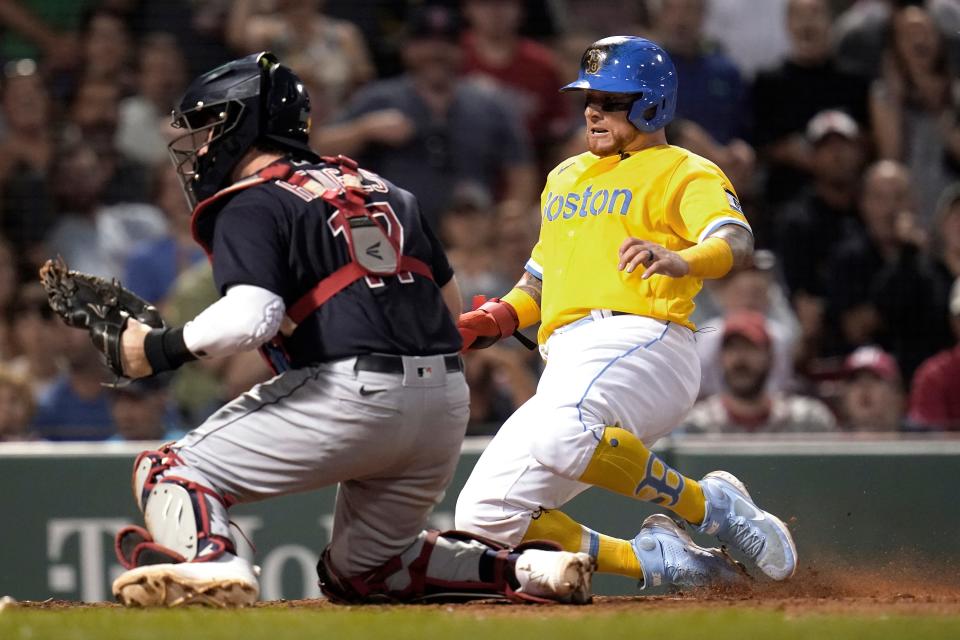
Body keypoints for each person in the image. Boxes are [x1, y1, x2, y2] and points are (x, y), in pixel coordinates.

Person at [106, 52, 593, 608]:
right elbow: (448, 306)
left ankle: (212, 564)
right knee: (366, 571)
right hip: (443, 404)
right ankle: (531, 569)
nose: (201, 146)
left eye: (210, 127)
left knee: (168, 466)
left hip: (353, 392)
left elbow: (250, 315)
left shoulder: (251, 198)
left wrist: (157, 348)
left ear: (244, 123)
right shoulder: (382, 186)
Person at [454, 36, 797, 591]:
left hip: (645, 340)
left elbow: (734, 239)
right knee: (485, 517)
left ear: (652, 102)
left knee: (562, 435)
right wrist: (495, 318)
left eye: (611, 99)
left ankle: (712, 507)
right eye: (589, 98)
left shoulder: (683, 170)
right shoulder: (564, 177)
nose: (594, 109)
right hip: (567, 360)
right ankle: (663, 562)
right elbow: (540, 279)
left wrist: (682, 259)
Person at [682, 310, 836, 434]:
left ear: (770, 356)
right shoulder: (697, 426)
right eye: (731, 348)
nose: (740, 358)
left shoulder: (808, 421)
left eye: (750, 348)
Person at [839, 345, 906, 432]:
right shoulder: (826, 442)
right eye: (854, 379)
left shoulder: (921, 440)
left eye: (875, 378)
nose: (864, 385)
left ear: (897, 395)